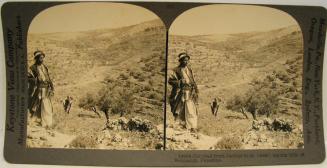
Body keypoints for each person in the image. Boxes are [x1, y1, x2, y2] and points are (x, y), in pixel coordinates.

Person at [168, 52, 199, 132]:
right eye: (184, 60)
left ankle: (192, 127)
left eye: (187, 60)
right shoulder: (176, 70)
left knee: (191, 109)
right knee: (180, 109)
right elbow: (170, 81)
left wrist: (196, 90)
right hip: (180, 93)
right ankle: (181, 125)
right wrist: (180, 82)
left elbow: (193, 81)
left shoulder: (189, 70)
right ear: (180, 61)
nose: (186, 62)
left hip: (190, 92)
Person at [28, 50, 54, 128]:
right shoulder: (32, 68)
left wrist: (52, 87)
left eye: (43, 58)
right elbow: (30, 78)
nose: (42, 59)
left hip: (46, 89)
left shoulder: (44, 67)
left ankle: (48, 123)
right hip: (39, 89)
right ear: (37, 58)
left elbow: (48, 78)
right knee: (38, 105)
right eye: (40, 58)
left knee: (46, 105)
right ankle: (42, 122)